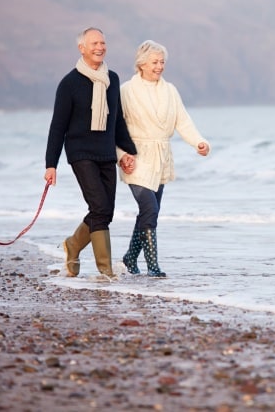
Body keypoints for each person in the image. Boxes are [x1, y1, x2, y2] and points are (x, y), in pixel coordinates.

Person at [44, 27, 137, 280]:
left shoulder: (113, 79)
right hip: (80, 153)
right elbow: (58, 126)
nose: (100, 47)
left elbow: (117, 121)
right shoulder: (69, 83)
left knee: (105, 211)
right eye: (94, 43)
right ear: (82, 48)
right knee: (99, 206)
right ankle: (105, 270)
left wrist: (129, 152)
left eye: (103, 43)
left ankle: (73, 245)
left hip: (106, 153)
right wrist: (51, 164)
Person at [117, 40, 210, 278]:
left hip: (161, 157)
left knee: (150, 212)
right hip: (135, 157)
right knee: (149, 207)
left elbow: (182, 120)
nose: (159, 67)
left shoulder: (170, 90)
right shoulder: (127, 90)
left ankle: (129, 258)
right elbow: (117, 126)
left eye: (162, 62)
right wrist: (121, 155)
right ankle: (153, 266)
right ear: (142, 64)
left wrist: (198, 142)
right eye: (155, 62)